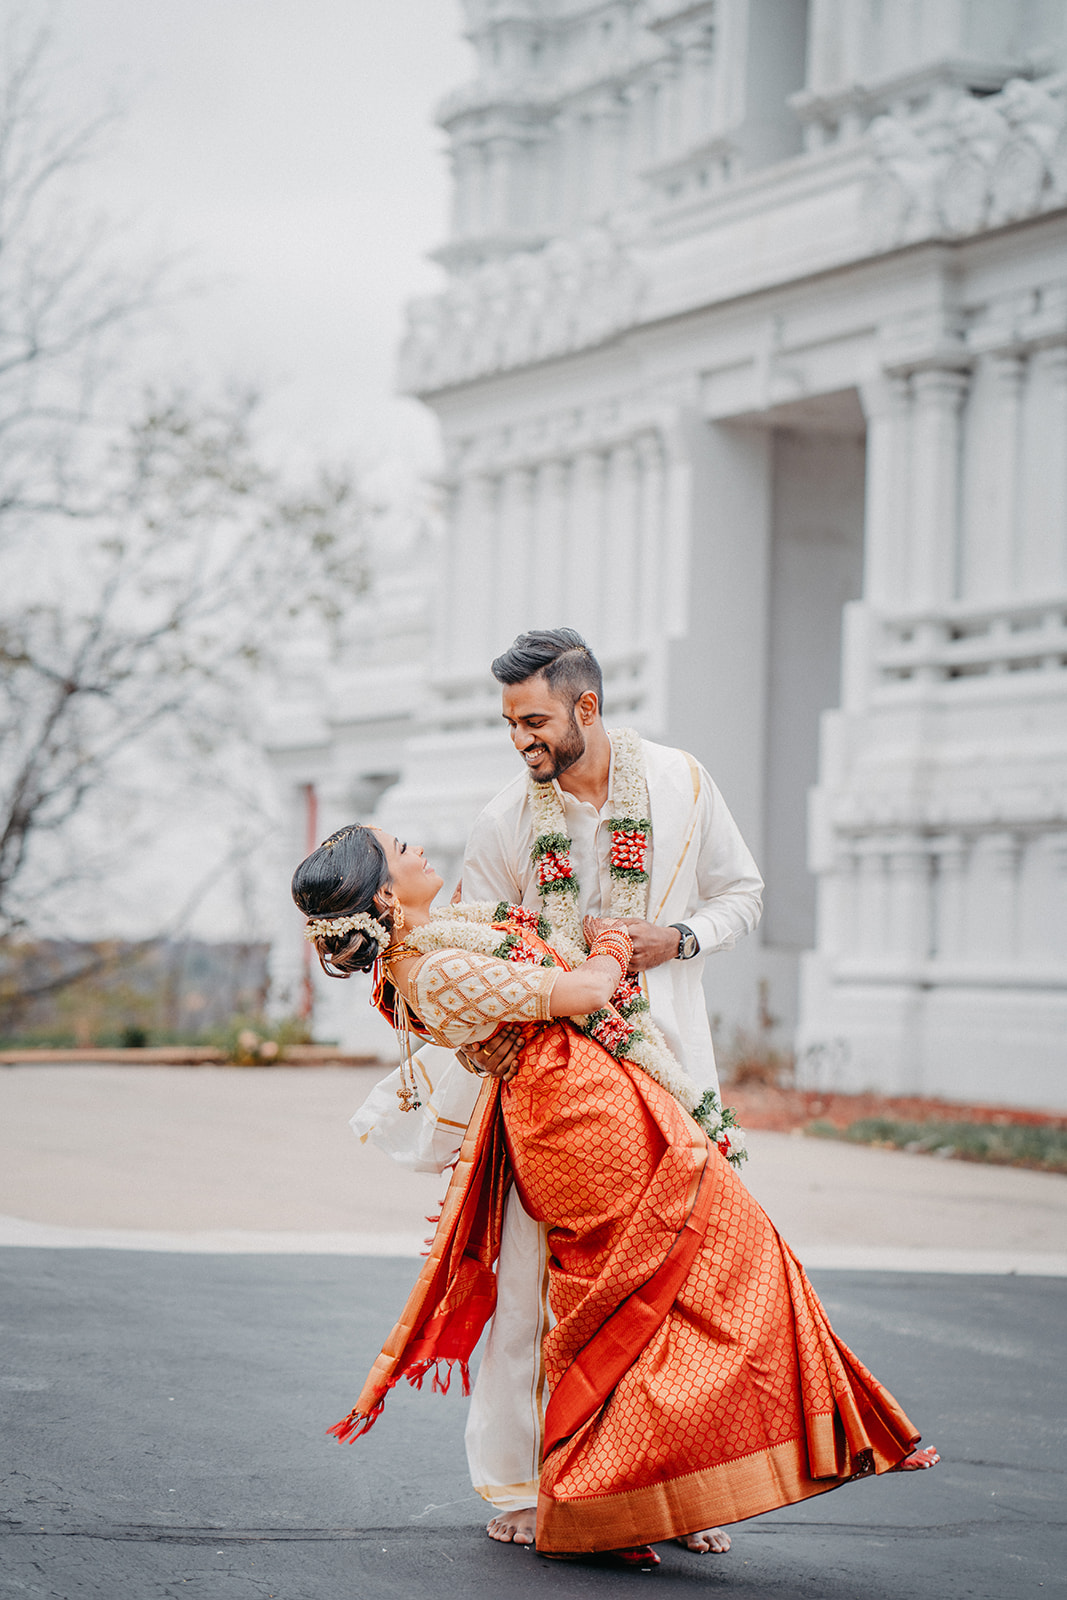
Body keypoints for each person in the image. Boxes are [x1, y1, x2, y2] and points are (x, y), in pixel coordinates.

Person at [293, 825, 938, 1567]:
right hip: (579, 1127)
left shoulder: (444, 934)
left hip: (605, 1100)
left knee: (702, 1284)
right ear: (382, 892)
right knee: (635, 1303)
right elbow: (584, 991)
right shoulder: (431, 967)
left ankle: (675, 1490)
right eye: (401, 849)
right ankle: (612, 1498)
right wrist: (609, 942)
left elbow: (523, 958)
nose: (418, 851)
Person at [353, 628, 764, 1552]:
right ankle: (520, 1486)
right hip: (548, 1096)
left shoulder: (681, 783)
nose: (520, 740)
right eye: (509, 723)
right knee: (531, 1292)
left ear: (586, 706)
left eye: (533, 721)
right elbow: (472, 945)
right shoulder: (505, 820)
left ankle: (667, 1490)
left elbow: (741, 893)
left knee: (676, 1285)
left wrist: (678, 939)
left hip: (669, 1067)